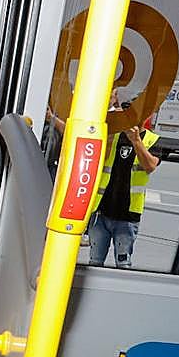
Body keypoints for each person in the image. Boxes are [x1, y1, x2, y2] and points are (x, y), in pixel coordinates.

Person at [47, 89, 161, 268]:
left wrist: (136, 141)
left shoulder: (151, 139)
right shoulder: (112, 134)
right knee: (94, 262)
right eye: (127, 110)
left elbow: (150, 165)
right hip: (101, 213)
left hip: (127, 216)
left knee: (123, 264)